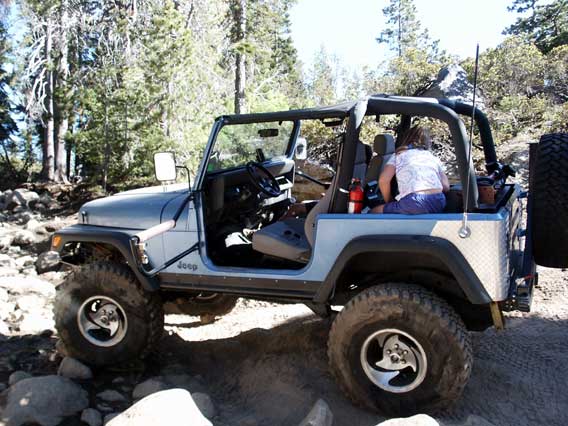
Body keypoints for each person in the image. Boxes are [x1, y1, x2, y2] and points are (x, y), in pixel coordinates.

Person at [370, 126, 450, 214]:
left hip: (414, 202)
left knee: (372, 212)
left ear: (407, 139)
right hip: (439, 201)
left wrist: (389, 201)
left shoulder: (399, 155)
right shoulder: (432, 157)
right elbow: (446, 186)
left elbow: (383, 180)